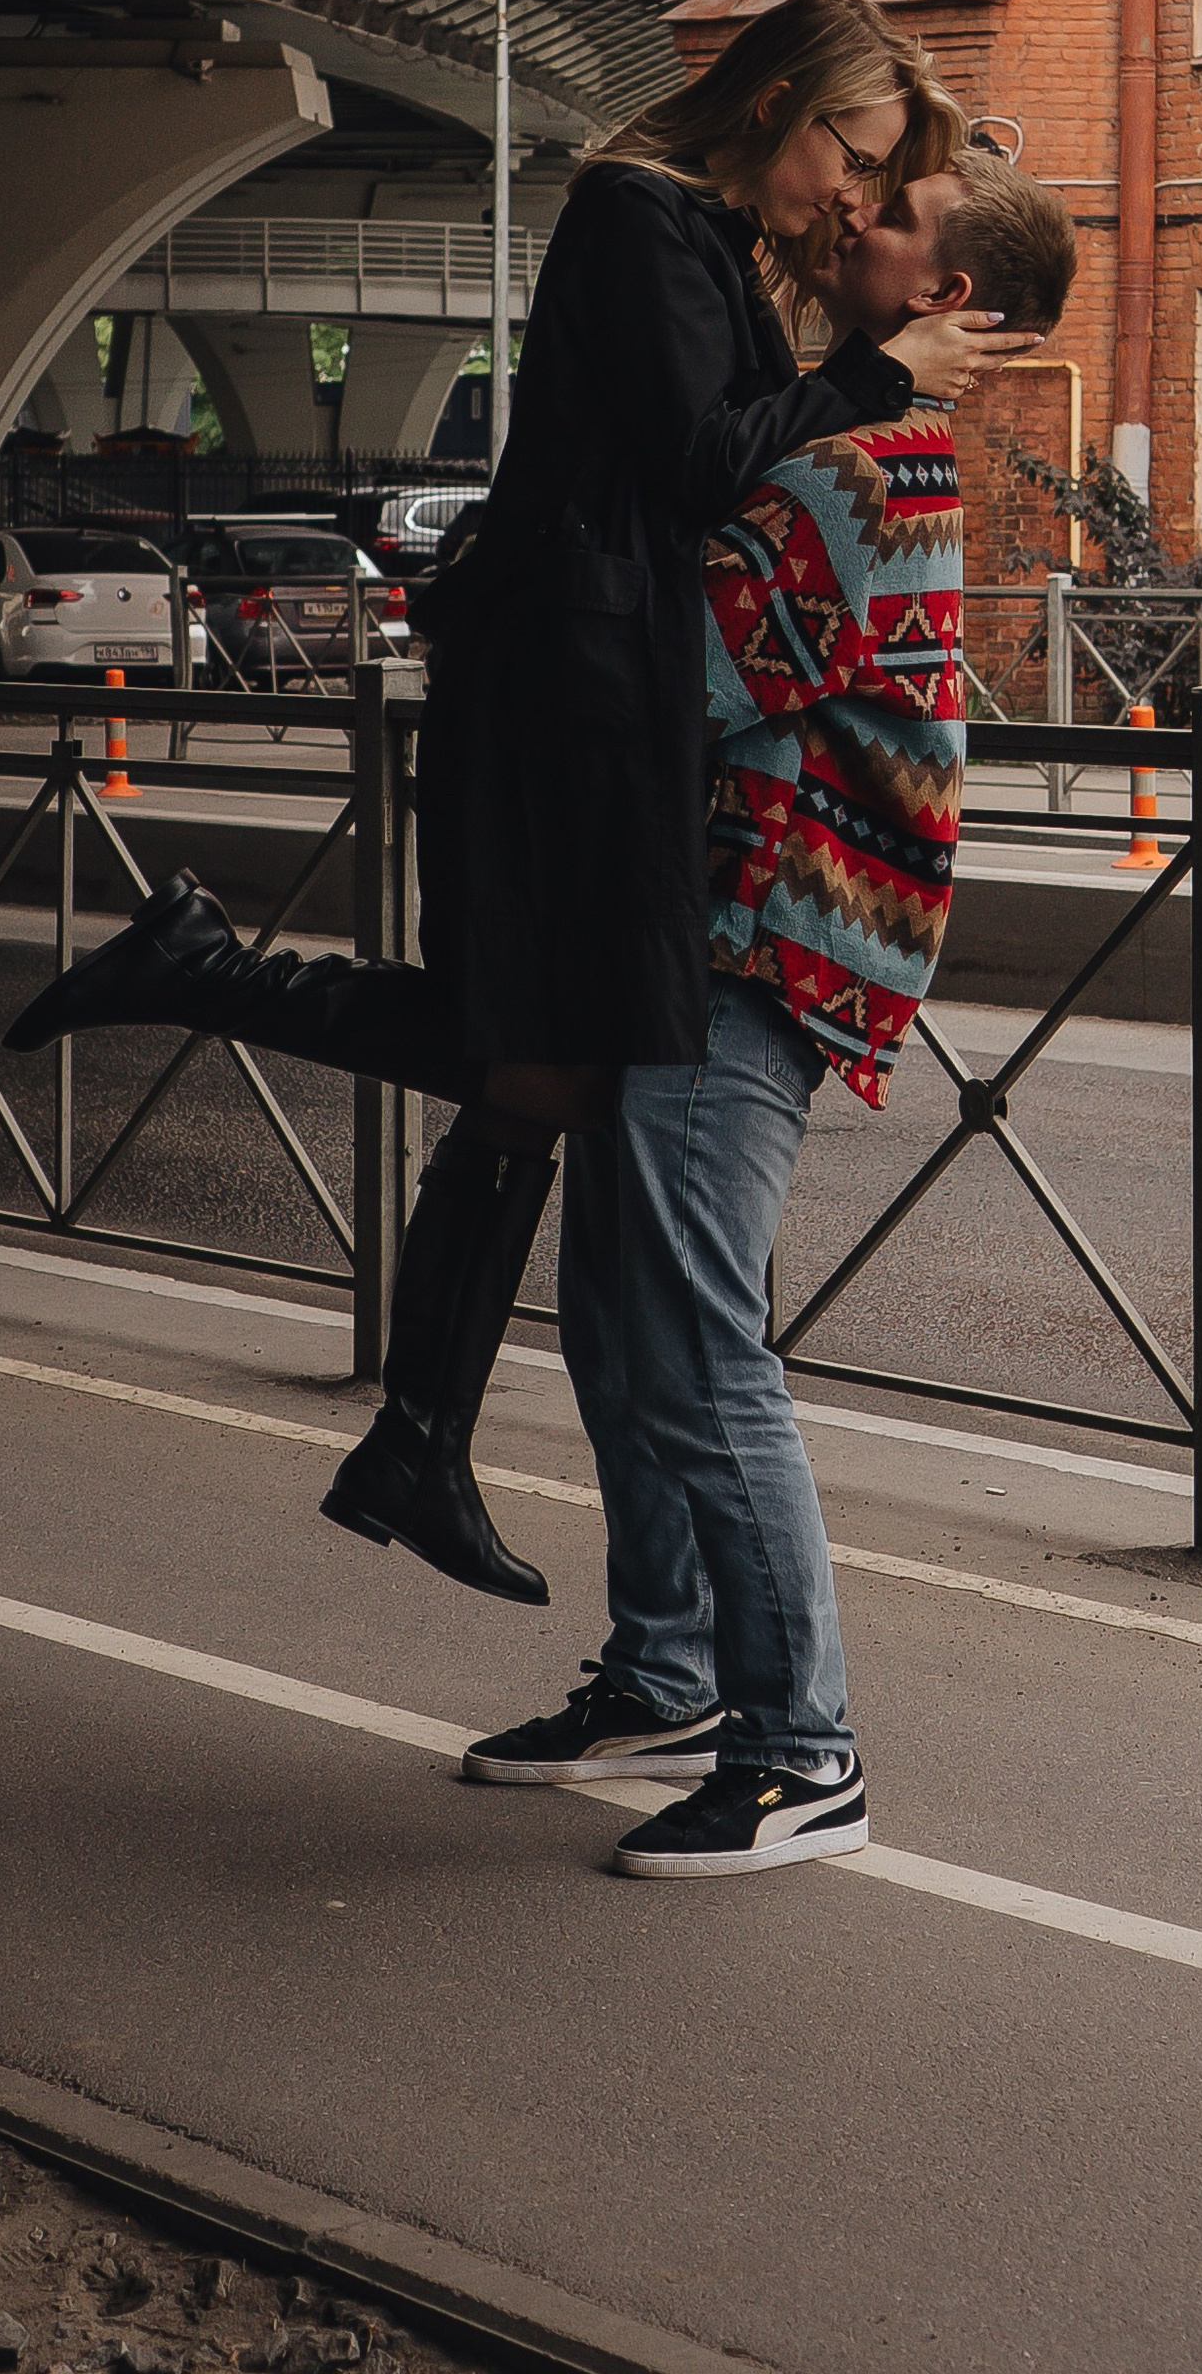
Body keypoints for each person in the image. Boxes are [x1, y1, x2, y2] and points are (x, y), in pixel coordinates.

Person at [6, 0, 1036, 1603]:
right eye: (854, 156)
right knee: (539, 1048)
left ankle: (417, 1436)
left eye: (880, 181)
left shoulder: (711, 254)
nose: (850, 196)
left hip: (595, 701)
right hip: (575, 706)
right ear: (772, 100)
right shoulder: (643, 217)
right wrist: (872, 368)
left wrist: (849, 364)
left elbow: (716, 465)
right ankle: (204, 986)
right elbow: (708, 460)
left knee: (540, 1069)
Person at [461, 150, 1080, 1878]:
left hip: (763, 943)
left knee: (694, 1337)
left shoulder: (865, 467)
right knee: (613, 1313)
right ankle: (662, 1670)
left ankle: (805, 1754)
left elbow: (681, 672)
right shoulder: (833, 434)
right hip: (710, 925)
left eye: (892, 216)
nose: (850, 222)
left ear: (947, 294)